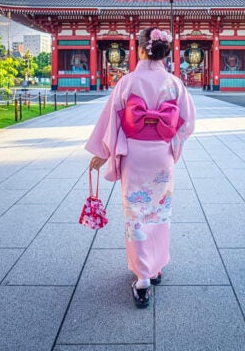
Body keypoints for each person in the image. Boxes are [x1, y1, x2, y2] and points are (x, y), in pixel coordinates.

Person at [86, 27, 196, 309]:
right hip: (161, 157)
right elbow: (187, 122)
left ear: (142, 49)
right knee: (159, 212)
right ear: (166, 52)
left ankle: (143, 279)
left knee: (136, 214)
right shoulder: (174, 84)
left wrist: (104, 152)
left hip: (134, 155)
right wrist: (171, 145)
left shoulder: (127, 82)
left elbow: (112, 121)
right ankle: (156, 267)